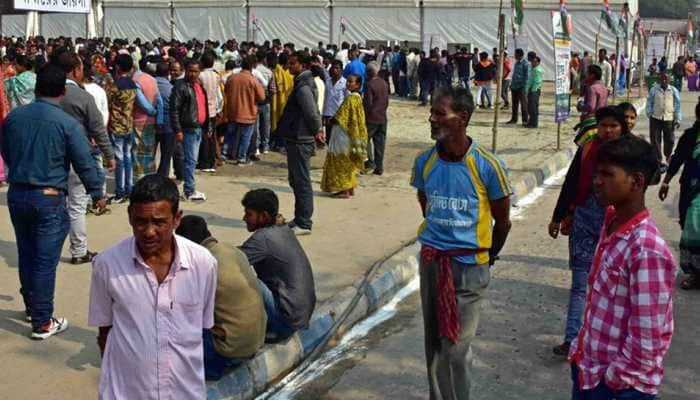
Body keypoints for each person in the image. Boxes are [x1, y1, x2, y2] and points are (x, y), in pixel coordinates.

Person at [411, 85, 511, 400]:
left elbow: (503, 222)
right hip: (432, 263)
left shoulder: (487, 165)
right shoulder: (424, 161)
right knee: (434, 344)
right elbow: (425, 202)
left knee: (455, 348)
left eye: (440, 113)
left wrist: (486, 256)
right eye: (432, 112)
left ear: (462, 118)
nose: (432, 118)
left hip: (469, 267)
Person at [2, 64, 107, 339]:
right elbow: (84, 163)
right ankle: (43, 321)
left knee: (27, 253)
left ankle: (32, 307)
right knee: (44, 261)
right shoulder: (67, 124)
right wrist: (98, 194)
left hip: (18, 193)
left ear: (37, 89)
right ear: (63, 91)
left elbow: (7, 151)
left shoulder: (15, 118)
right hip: (48, 196)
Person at [88, 174, 217, 399]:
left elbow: (202, 327)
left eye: (159, 222)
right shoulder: (107, 265)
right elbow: (104, 332)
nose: (148, 232)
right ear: (129, 216)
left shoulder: (203, 263)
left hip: (185, 393)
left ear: (177, 219)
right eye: (140, 221)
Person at [569, 135, 675, 400]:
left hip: (618, 387)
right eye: (596, 173)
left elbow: (647, 339)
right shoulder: (612, 221)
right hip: (589, 370)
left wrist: (612, 380)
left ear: (637, 181)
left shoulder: (646, 249)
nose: (597, 181)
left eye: (607, 174)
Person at [549, 106, 631, 357]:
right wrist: (558, 215)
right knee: (580, 282)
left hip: (618, 225)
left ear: (622, 128)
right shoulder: (587, 149)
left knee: (614, 286)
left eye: (613, 126)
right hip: (584, 219)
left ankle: (611, 341)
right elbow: (572, 182)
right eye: (603, 125)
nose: (607, 131)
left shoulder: (632, 153)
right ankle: (572, 338)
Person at [175, 215, 266, 381]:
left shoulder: (200, 266)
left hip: (230, 350)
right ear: (209, 233)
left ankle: (210, 369)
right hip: (256, 342)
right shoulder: (232, 250)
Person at [53, 49, 116, 265]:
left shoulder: (48, 93)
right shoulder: (83, 96)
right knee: (77, 206)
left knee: (56, 204)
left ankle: (49, 247)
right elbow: (98, 129)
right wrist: (109, 155)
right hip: (78, 156)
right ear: (75, 71)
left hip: (53, 157)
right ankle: (79, 250)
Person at [240, 189, 316, 341]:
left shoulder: (262, 238)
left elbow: (229, 260)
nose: (244, 218)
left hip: (288, 321)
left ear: (264, 216)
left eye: (249, 214)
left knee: (244, 279)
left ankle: (271, 328)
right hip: (301, 314)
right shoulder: (283, 229)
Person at [277, 51, 323, 235]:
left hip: (300, 138)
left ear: (302, 65)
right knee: (296, 179)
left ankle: (304, 222)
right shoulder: (302, 82)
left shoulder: (303, 86)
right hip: (296, 137)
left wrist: (317, 130)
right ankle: (299, 218)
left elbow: (312, 113)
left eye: (293, 63)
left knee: (301, 180)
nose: (289, 66)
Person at [659, 98, 700, 290]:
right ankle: (694, 273)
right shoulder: (691, 136)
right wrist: (666, 182)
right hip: (692, 192)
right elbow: (677, 160)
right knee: (691, 227)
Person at [106, 54, 157, 203]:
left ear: (117, 67)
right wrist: (154, 112)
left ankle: (120, 192)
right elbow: (144, 105)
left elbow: (107, 104)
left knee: (120, 158)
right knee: (128, 156)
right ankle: (128, 189)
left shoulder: (114, 86)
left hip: (116, 126)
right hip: (129, 124)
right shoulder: (134, 85)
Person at [320, 74, 367, 198]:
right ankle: (350, 187)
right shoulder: (358, 98)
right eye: (348, 81)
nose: (348, 84)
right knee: (349, 161)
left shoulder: (351, 99)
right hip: (349, 134)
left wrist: (331, 120)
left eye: (351, 82)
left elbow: (342, 117)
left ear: (358, 85)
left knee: (340, 161)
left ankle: (344, 189)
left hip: (343, 135)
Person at [170, 59, 211, 202]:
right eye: (190, 71)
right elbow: (174, 110)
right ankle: (189, 190)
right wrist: (178, 130)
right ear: (185, 71)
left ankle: (190, 187)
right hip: (188, 129)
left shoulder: (199, 86)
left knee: (192, 161)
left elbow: (204, 106)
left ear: (199, 72)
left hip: (198, 128)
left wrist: (208, 126)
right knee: (190, 161)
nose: (193, 74)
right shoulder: (180, 87)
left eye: (195, 71)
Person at [223, 55, 265, 165]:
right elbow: (262, 97)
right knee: (245, 137)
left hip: (232, 111)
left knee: (230, 134)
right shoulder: (253, 80)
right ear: (252, 67)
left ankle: (224, 153)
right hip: (248, 113)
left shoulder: (232, 78)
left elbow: (226, 91)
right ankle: (241, 157)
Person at [646, 73, 681, 170]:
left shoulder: (673, 90)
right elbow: (649, 102)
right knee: (655, 139)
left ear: (669, 80)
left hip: (669, 118)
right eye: (662, 79)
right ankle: (658, 159)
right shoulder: (654, 90)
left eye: (666, 79)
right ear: (659, 80)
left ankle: (668, 155)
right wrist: (649, 114)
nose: (664, 81)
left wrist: (677, 118)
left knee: (670, 139)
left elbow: (677, 105)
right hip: (655, 118)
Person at [132, 61, 161, 178]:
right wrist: (158, 117)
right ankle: (150, 178)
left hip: (139, 120)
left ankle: (140, 180)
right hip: (151, 121)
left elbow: (142, 102)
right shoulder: (152, 79)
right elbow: (159, 100)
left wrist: (151, 111)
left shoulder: (135, 81)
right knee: (149, 151)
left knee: (138, 153)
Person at [197, 51, 223, 173]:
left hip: (202, 109)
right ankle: (212, 161)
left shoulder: (200, 76)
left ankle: (204, 162)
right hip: (212, 109)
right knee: (211, 136)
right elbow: (219, 95)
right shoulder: (216, 75)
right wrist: (219, 109)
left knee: (203, 137)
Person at [363, 62, 390, 176]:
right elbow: (386, 101)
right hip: (382, 117)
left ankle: (369, 162)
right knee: (380, 143)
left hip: (372, 118)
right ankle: (379, 167)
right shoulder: (384, 83)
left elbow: (368, 103)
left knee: (364, 140)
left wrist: (365, 115)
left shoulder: (369, 85)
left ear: (369, 72)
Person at [154, 62, 175, 178]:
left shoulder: (150, 85)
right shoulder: (171, 88)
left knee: (149, 155)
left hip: (151, 123)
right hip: (168, 125)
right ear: (168, 73)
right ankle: (162, 179)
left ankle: (148, 177)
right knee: (166, 156)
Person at [321, 59, 348, 145]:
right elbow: (325, 99)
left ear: (341, 70)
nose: (334, 70)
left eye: (337, 68)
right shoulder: (327, 82)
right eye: (333, 68)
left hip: (339, 116)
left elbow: (347, 101)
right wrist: (323, 115)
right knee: (329, 140)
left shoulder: (345, 83)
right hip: (328, 115)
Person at [271, 52, 294, 151]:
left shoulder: (276, 71)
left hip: (278, 103)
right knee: (281, 125)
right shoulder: (283, 73)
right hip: (282, 103)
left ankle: (275, 143)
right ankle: (279, 144)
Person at [507, 48, 529, 125]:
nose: (514, 55)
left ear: (520, 55)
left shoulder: (526, 63)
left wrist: (522, 85)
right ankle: (514, 119)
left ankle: (525, 120)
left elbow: (527, 77)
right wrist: (512, 84)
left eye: (515, 54)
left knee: (523, 104)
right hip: (514, 87)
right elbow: (515, 75)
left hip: (521, 87)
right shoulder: (516, 63)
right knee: (514, 104)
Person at [525, 56, 543, 128]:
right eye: (532, 61)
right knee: (530, 107)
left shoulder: (537, 70)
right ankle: (530, 122)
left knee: (533, 108)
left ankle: (534, 123)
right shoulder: (533, 69)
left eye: (535, 62)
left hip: (534, 90)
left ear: (538, 62)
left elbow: (537, 82)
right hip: (531, 90)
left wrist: (532, 90)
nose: (533, 63)